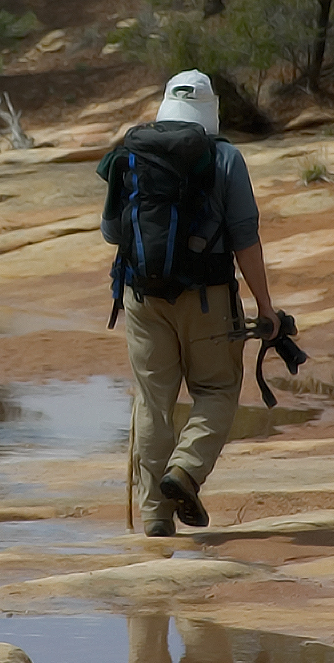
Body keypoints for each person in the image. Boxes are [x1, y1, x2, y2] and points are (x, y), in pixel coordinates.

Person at [100, 69, 278, 538]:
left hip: (142, 297)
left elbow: (112, 233)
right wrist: (265, 307)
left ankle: (156, 517)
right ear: (210, 110)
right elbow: (245, 235)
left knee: (153, 403)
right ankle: (185, 470)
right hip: (208, 300)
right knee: (217, 391)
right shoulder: (225, 157)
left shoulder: (131, 153)